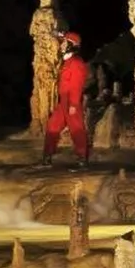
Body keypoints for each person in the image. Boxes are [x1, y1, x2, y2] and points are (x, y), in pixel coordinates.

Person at [39, 31, 91, 170]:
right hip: (63, 101)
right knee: (52, 126)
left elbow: (76, 85)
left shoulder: (76, 63)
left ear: (71, 45)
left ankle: (82, 160)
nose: (61, 45)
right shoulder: (67, 62)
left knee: (77, 129)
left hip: (71, 101)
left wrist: (74, 104)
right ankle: (47, 158)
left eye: (64, 43)